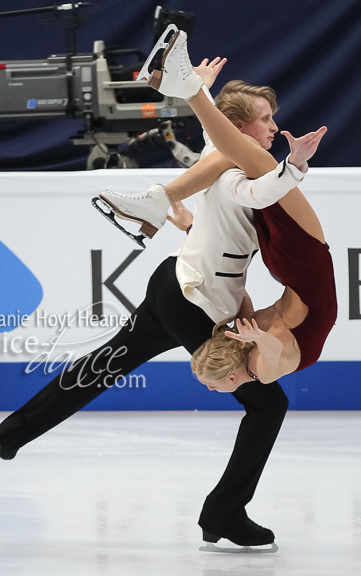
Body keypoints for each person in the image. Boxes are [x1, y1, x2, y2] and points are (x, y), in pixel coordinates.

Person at [0, 42, 319, 552]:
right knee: (268, 403)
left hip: (172, 282)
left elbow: (217, 139)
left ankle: (9, 436)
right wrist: (292, 167)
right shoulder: (238, 173)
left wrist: (195, 89)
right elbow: (260, 191)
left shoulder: (218, 155)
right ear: (242, 128)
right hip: (196, 301)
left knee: (108, 362)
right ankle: (223, 512)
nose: (272, 128)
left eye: (272, 118)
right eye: (264, 119)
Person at [101, 27, 337, 389]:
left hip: (284, 262)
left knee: (234, 154)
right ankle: (189, 90)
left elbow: (238, 287)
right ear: (231, 376)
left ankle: (189, 95)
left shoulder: (244, 330)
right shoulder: (261, 366)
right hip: (306, 265)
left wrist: (193, 229)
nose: (213, 391)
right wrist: (294, 167)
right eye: (212, 386)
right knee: (248, 156)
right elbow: (273, 353)